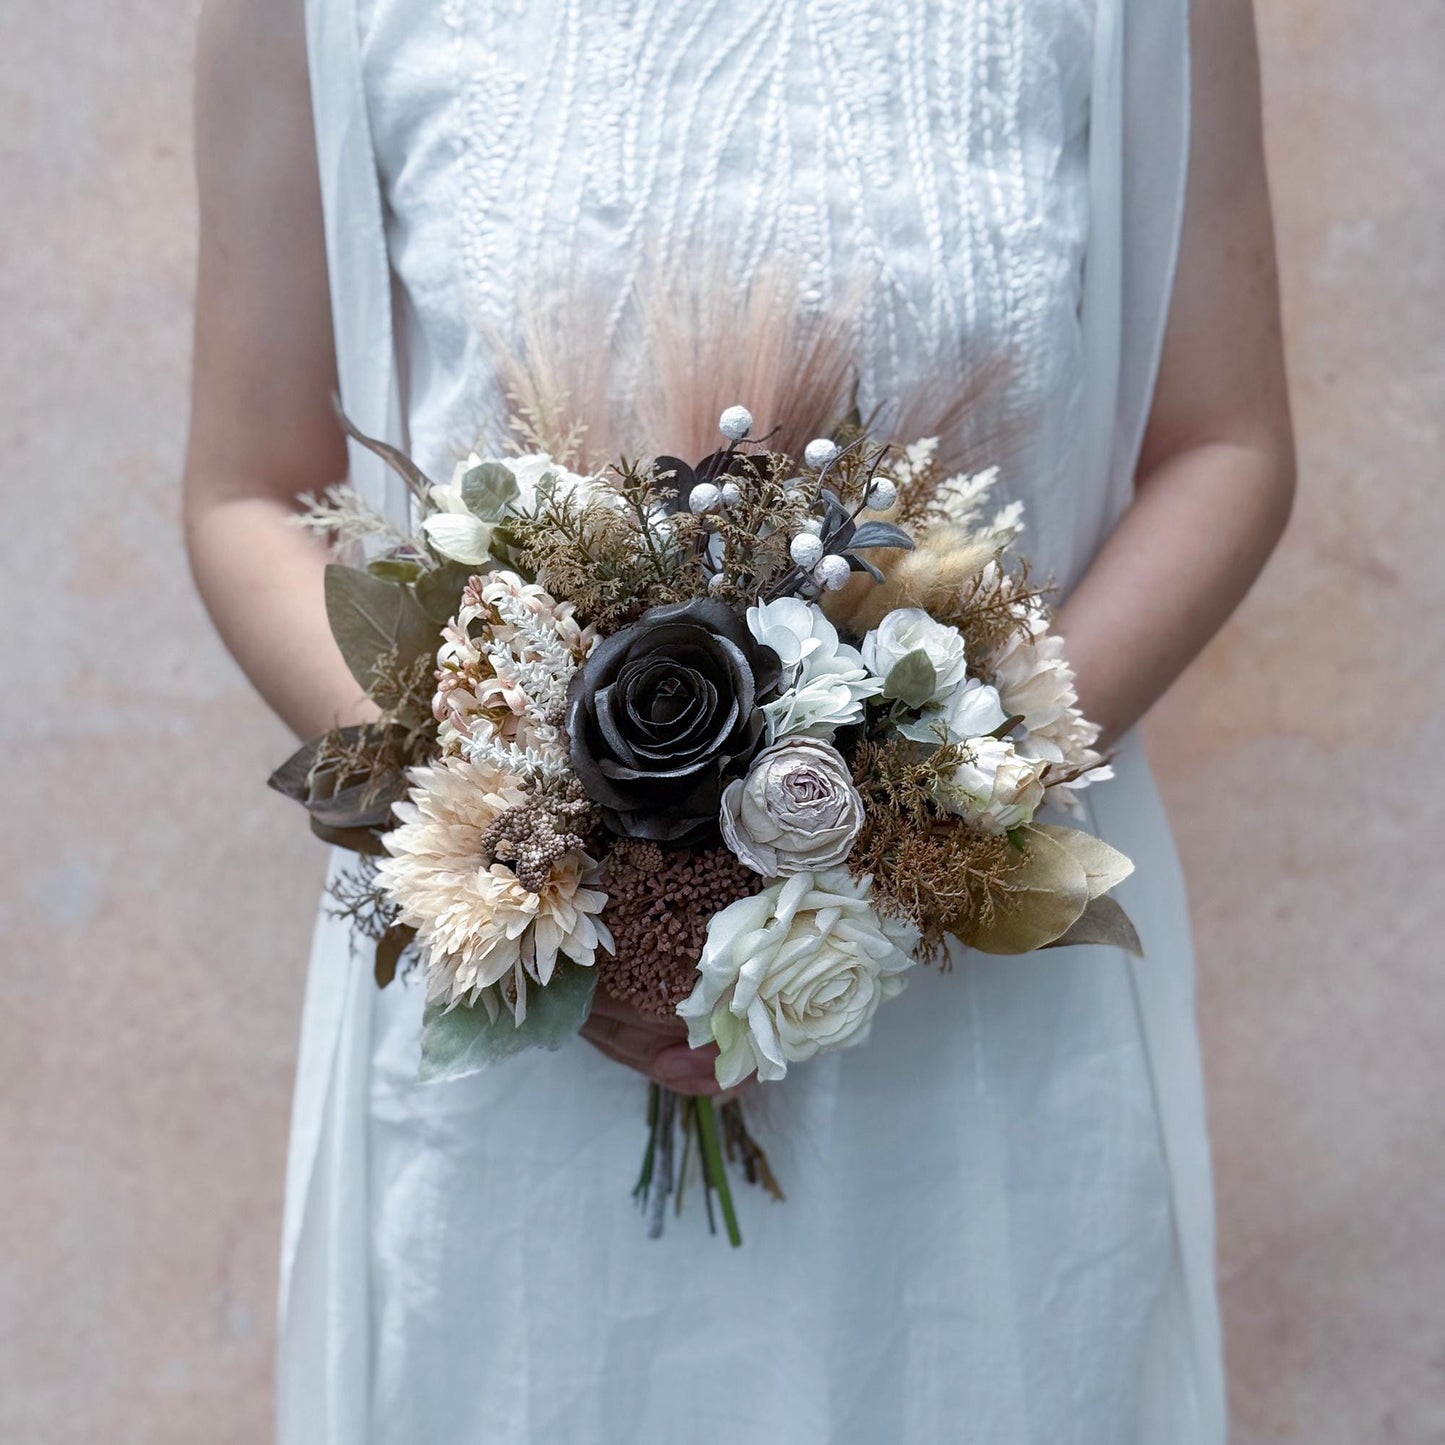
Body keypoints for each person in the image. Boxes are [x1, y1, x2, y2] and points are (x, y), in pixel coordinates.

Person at [183, 2, 1295, 1440]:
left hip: (974, 1040)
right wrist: (543, 857)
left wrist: (916, 827)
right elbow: (248, 490)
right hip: (525, 1040)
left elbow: (1225, 442)